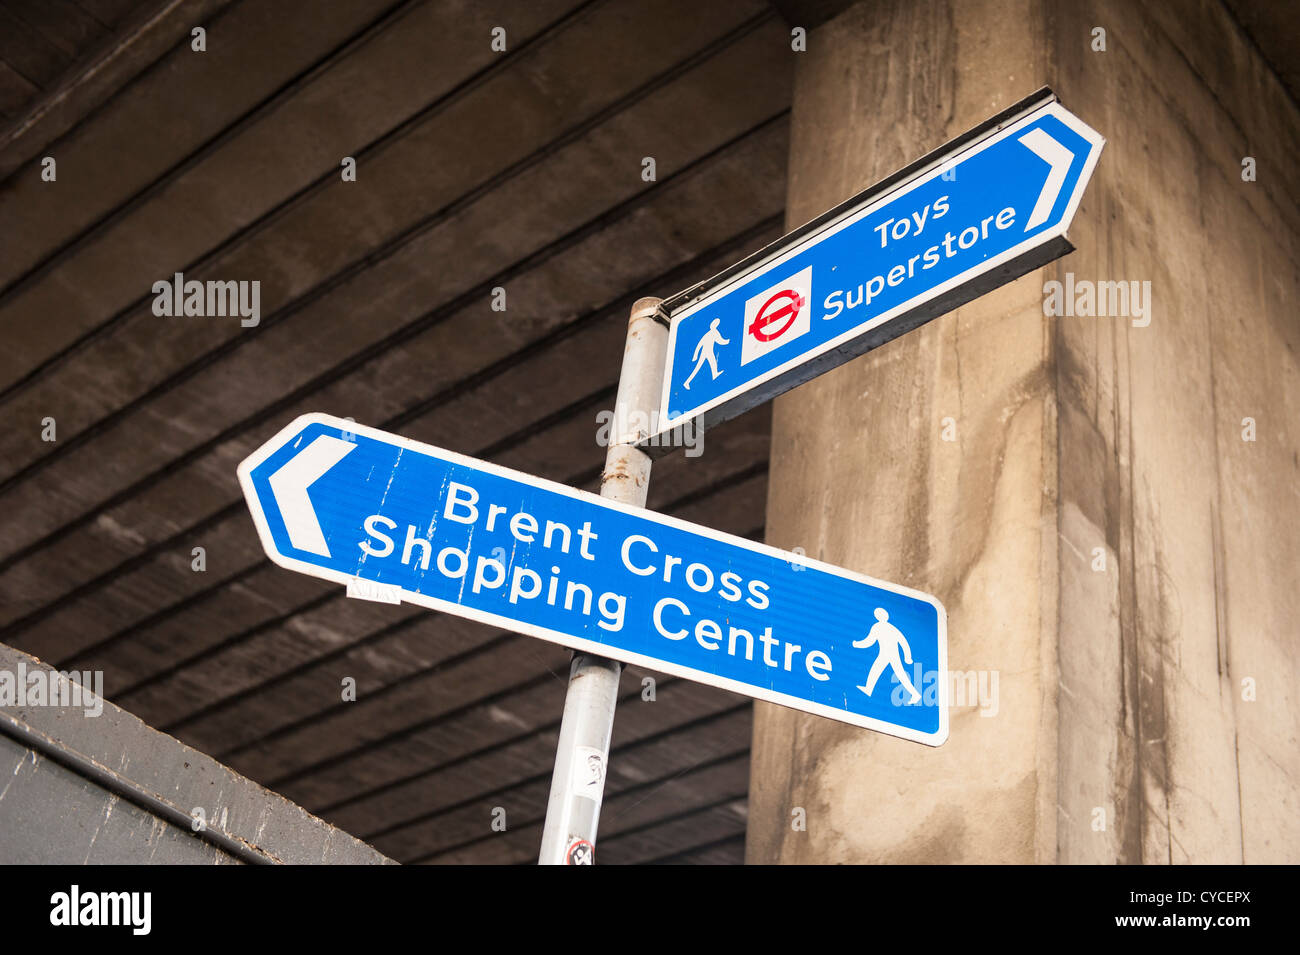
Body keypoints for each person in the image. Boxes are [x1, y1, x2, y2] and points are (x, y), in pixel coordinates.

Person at [852, 607, 921, 704]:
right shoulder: (891, 628)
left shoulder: (878, 627)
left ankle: (915, 694)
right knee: (876, 670)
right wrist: (907, 657)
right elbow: (903, 642)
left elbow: (869, 641)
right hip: (887, 654)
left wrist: (856, 644)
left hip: (890, 654)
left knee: (899, 674)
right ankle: (868, 689)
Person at [683, 317, 729, 390]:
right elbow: (700, 344)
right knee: (698, 367)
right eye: (715, 323)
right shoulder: (712, 332)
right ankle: (687, 382)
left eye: (716, 323)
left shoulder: (714, 332)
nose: (715, 325)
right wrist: (695, 355)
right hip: (705, 351)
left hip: (708, 351)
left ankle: (714, 374)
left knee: (712, 362)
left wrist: (726, 341)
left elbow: (720, 340)